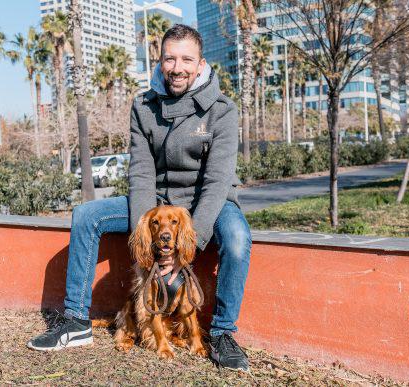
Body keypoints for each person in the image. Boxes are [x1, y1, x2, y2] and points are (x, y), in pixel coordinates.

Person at [27, 24, 252, 371]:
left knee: (237, 238)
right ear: (160, 61)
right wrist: (146, 240)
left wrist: (186, 244)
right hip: (158, 201)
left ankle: (222, 334)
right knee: (86, 215)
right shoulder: (143, 106)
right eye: (170, 59)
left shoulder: (222, 110)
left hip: (208, 200)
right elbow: (142, 174)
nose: (177, 67)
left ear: (201, 63)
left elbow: (217, 181)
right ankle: (75, 322)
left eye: (186, 60)